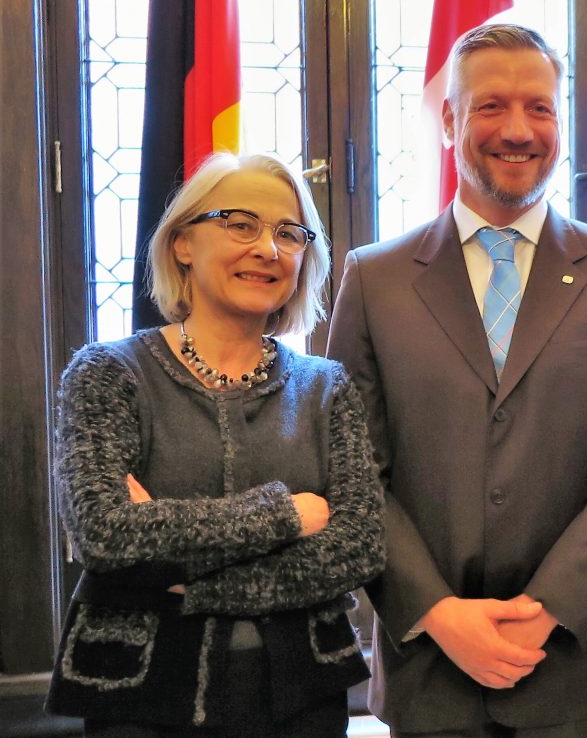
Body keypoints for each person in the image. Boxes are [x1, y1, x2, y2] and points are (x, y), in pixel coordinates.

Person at [327, 22, 587, 737]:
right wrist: (436, 613)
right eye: (491, 106)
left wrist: (545, 610)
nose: (518, 129)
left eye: (540, 107)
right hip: (431, 667)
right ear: (451, 119)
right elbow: (353, 474)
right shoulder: (375, 280)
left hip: (577, 666)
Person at [47, 152, 385, 738]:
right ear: (182, 243)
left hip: (304, 698)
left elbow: (357, 547)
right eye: (240, 223)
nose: (267, 249)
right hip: (140, 700)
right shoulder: (106, 374)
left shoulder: (326, 386)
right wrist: (288, 514)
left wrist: (187, 574)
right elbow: (106, 534)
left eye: (288, 232)